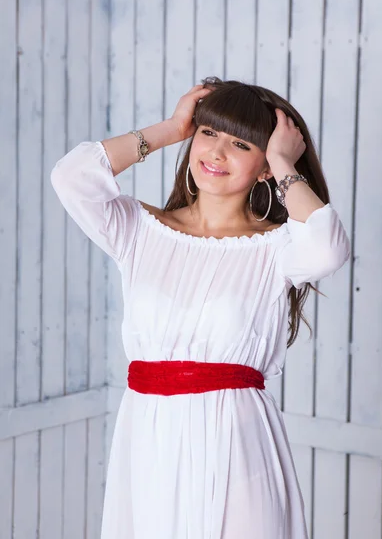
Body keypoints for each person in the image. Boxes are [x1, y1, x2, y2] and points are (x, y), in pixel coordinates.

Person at [50, 76, 351, 538]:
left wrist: (283, 159)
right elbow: (71, 177)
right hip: (149, 440)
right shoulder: (138, 229)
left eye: (241, 144)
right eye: (209, 133)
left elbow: (329, 247)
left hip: (238, 446)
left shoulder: (277, 249)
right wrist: (172, 128)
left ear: (264, 167)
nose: (216, 153)